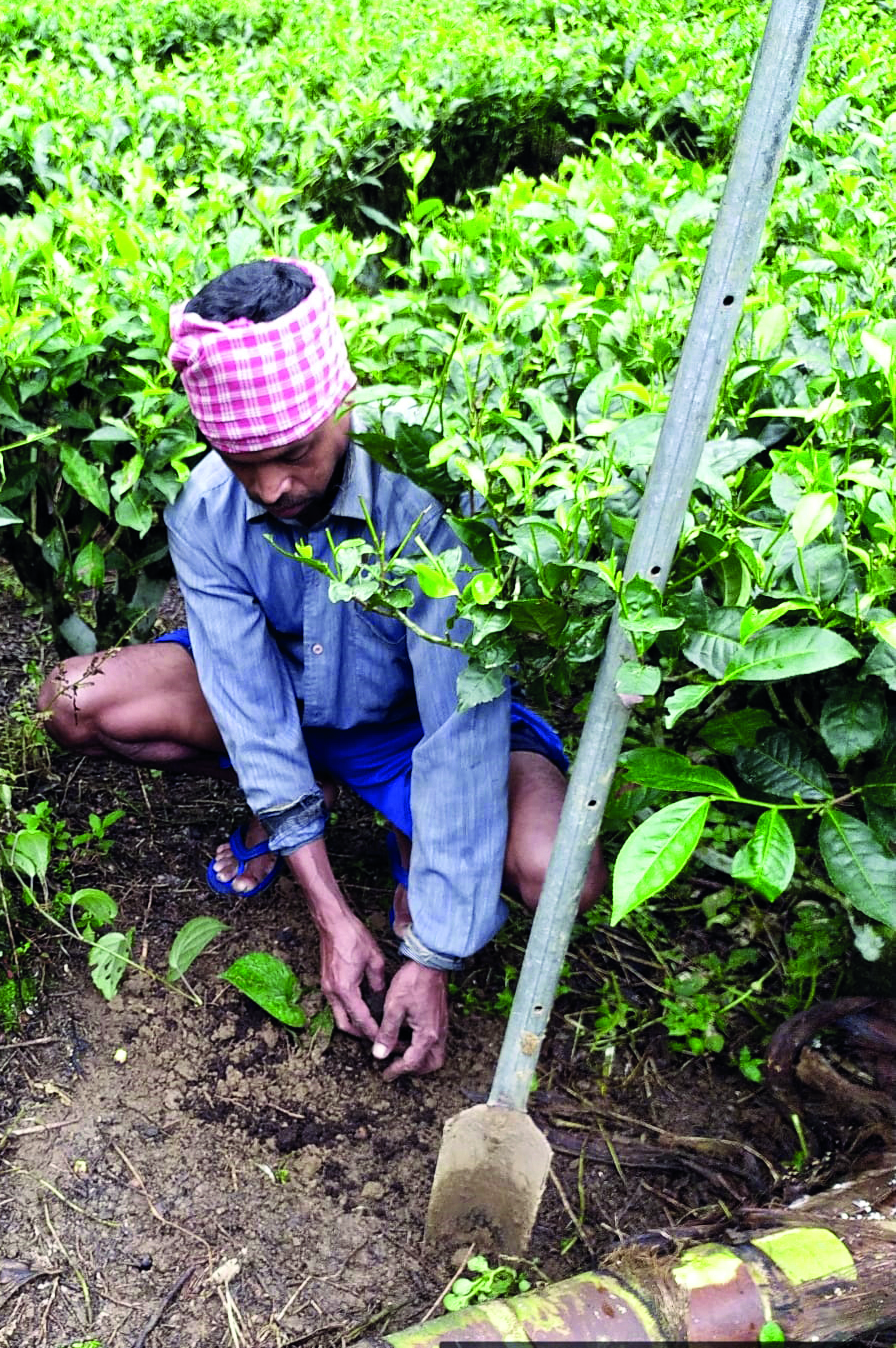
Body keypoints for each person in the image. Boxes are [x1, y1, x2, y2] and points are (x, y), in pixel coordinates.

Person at [38, 257, 605, 1078]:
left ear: (340, 403)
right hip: (290, 704)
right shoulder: (209, 505)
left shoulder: (419, 501)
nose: (271, 486)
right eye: (241, 460)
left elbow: (458, 728)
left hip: (414, 726)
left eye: (294, 451)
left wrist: (434, 952)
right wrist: (332, 914)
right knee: (74, 699)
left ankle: (412, 838)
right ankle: (308, 807)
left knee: (559, 871)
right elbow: (249, 702)